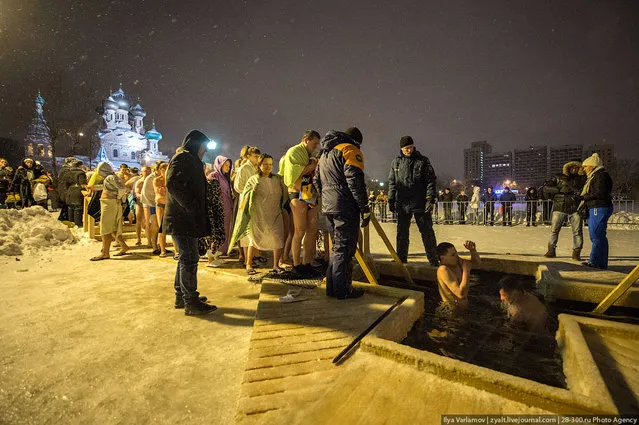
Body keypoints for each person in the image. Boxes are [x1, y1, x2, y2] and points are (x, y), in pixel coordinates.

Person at [164, 130, 217, 315]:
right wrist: (190, 206)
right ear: (196, 145)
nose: (204, 151)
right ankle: (190, 302)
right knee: (189, 259)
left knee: (186, 258)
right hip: (182, 220)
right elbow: (172, 184)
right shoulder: (183, 158)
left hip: (186, 219)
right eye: (203, 147)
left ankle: (182, 296)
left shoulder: (190, 159)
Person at [316, 127, 370, 299]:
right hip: (345, 206)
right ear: (357, 141)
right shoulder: (349, 150)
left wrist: (327, 199)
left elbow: (317, 181)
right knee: (345, 250)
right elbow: (355, 181)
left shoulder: (324, 154)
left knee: (337, 249)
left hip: (329, 207)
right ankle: (342, 290)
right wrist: (364, 207)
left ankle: (332, 288)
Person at [230, 154, 289, 275]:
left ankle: (276, 265)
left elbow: (284, 194)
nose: (268, 167)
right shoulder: (253, 179)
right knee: (254, 240)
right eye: (265, 164)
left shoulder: (277, 179)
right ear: (260, 165)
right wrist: (253, 191)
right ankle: (249, 264)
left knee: (278, 238)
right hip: (259, 215)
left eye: (270, 164)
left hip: (275, 213)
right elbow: (245, 196)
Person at [387, 136, 439, 266]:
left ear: (413, 146)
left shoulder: (422, 161)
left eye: (409, 147)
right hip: (403, 203)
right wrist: (391, 199)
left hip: (419, 202)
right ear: (401, 148)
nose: (408, 150)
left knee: (427, 231)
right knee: (402, 232)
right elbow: (392, 182)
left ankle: (433, 259)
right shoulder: (396, 162)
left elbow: (430, 181)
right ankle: (401, 257)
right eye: (405, 148)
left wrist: (429, 199)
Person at [279, 130, 321, 278]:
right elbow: (296, 173)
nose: (316, 147)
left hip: (308, 190)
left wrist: (313, 163)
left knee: (312, 230)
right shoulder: (294, 152)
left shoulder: (310, 155)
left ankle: (307, 263)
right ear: (306, 140)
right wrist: (313, 164)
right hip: (296, 192)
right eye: (314, 143)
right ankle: (297, 265)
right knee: (300, 230)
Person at [543, 160, 586, 260]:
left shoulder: (582, 179)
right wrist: (559, 190)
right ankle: (551, 250)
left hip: (575, 207)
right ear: (568, 168)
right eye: (572, 167)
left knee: (577, 232)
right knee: (554, 230)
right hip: (560, 205)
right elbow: (546, 187)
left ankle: (576, 252)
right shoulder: (558, 177)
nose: (574, 170)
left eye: (577, 168)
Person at [579, 153, 613, 269]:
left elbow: (599, 193)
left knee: (596, 236)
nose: (584, 169)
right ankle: (600, 262)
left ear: (593, 166)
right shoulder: (597, 176)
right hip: (598, 206)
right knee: (599, 236)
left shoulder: (599, 176)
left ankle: (596, 262)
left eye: (586, 166)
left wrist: (584, 197)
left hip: (598, 207)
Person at [89, 162, 129, 261]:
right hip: (109, 203)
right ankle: (123, 246)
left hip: (110, 204)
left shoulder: (110, 177)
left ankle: (105, 253)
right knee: (112, 227)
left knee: (105, 228)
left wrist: (118, 197)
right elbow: (109, 188)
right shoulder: (110, 177)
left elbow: (122, 188)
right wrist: (96, 188)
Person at [234, 147, 262, 265]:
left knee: (253, 229)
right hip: (245, 201)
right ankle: (246, 258)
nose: (257, 159)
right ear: (249, 156)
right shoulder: (244, 168)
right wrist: (250, 190)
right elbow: (237, 186)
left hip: (254, 202)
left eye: (258, 157)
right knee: (245, 229)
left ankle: (253, 256)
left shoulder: (255, 168)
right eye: (255, 156)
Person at [436, 241, 480, 310]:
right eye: (453, 255)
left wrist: (473, 250)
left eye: (456, 253)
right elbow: (461, 294)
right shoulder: (443, 270)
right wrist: (466, 271)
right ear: (442, 258)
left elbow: (476, 264)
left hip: (463, 309)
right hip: (452, 312)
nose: (457, 256)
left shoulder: (456, 262)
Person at [207, 155, 234, 267]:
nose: (228, 168)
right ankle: (210, 258)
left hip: (226, 208)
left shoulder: (225, 177)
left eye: (229, 166)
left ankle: (217, 255)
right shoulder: (213, 175)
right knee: (216, 232)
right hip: (217, 208)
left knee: (224, 231)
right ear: (219, 165)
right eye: (225, 165)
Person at [140, 164, 160, 254]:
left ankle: (160, 246)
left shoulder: (161, 176)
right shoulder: (151, 178)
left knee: (161, 226)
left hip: (161, 204)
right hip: (153, 204)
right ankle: (154, 246)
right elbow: (146, 193)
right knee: (155, 225)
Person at [153, 162, 172, 257]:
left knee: (172, 227)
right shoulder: (157, 180)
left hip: (169, 205)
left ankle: (176, 251)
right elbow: (160, 193)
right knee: (161, 227)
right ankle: (163, 250)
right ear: (161, 170)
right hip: (160, 205)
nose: (165, 171)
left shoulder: (170, 179)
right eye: (164, 169)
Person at [65, 160, 87, 227]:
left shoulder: (68, 173)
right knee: (78, 208)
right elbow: (83, 184)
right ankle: (78, 224)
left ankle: (71, 223)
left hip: (69, 191)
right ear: (79, 166)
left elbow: (66, 184)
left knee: (70, 207)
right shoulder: (81, 173)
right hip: (78, 192)